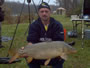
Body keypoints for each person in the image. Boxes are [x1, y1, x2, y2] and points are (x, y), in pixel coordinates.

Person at [26, 2, 64, 68]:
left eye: (46, 11)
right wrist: (27, 49)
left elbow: (59, 42)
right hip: (38, 54)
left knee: (61, 57)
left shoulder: (57, 25)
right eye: (42, 11)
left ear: (50, 12)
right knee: (28, 55)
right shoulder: (33, 25)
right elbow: (31, 41)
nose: (44, 13)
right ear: (38, 13)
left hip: (53, 55)